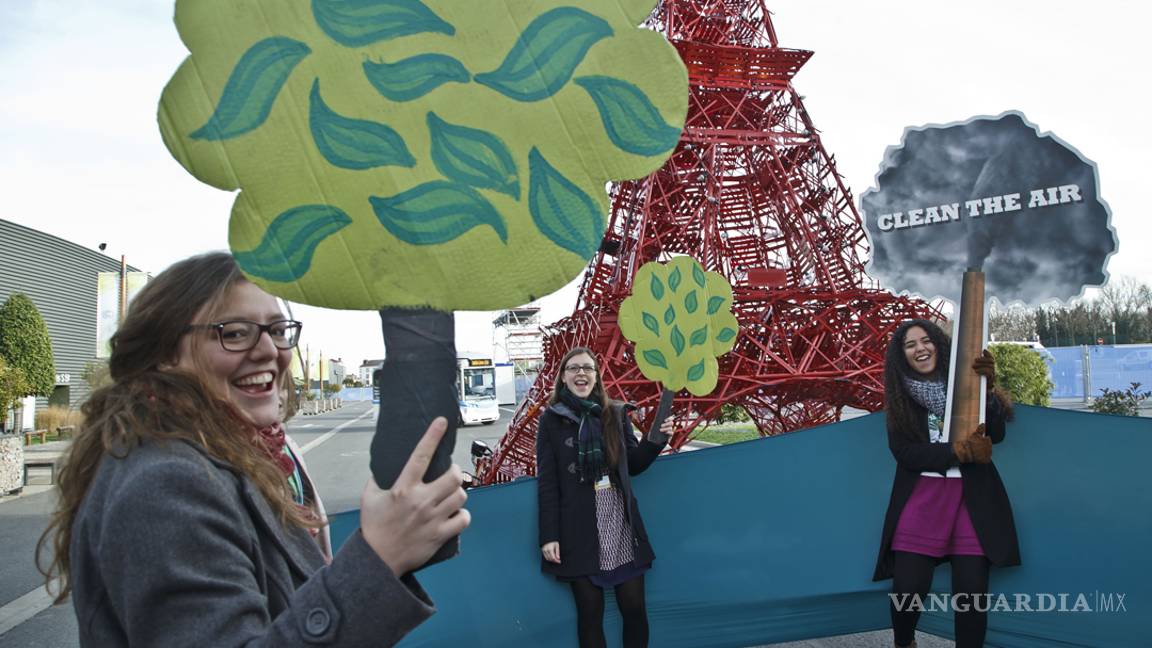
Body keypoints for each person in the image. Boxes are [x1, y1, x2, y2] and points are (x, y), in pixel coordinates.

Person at [36, 252, 469, 647]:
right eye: (235, 333)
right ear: (163, 355)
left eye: (278, 331)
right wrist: (379, 556)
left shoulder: (250, 453)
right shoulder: (165, 483)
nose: (269, 351)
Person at [873, 319, 1020, 648]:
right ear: (902, 356)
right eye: (910, 345)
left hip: (973, 499)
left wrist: (987, 387)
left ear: (940, 345)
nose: (920, 348)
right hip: (923, 497)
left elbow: (996, 434)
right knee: (907, 588)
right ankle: (904, 642)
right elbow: (905, 453)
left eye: (926, 341)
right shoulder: (900, 399)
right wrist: (956, 451)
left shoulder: (969, 385)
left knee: (970, 591)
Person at [536, 346, 674, 648]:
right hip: (578, 528)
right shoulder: (550, 420)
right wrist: (549, 536)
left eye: (587, 368)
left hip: (619, 523)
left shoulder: (615, 413)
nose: (581, 373)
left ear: (597, 376)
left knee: (635, 610)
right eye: (573, 368)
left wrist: (656, 441)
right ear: (563, 378)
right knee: (590, 613)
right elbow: (547, 484)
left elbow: (634, 465)